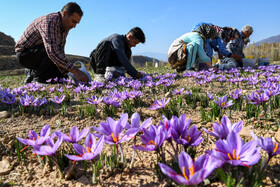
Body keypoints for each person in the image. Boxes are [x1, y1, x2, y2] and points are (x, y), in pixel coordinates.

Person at [15, 2, 89, 84]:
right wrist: (76, 71)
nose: (74, 26)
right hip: (25, 55)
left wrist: (65, 73)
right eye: (73, 21)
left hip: (42, 54)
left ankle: (32, 75)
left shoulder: (64, 27)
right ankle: (38, 81)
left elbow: (60, 51)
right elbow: (52, 52)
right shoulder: (50, 21)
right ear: (64, 14)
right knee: (51, 51)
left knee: (61, 78)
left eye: (76, 23)